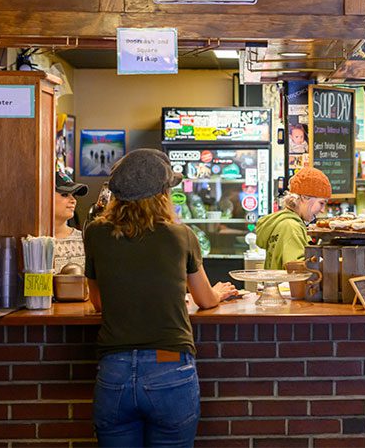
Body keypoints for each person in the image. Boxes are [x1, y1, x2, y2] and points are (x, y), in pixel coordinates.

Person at [84, 149, 237, 447]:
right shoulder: (181, 235)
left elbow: (99, 303)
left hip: (114, 368)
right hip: (169, 363)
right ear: (162, 194)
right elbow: (205, 300)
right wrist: (217, 293)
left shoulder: (95, 233)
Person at [256, 166, 331, 270]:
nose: (322, 210)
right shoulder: (292, 226)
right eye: (321, 203)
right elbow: (297, 270)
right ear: (305, 198)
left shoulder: (280, 222)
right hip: (288, 286)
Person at [53, 170, 88, 273]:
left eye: (73, 195)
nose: (73, 200)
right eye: (64, 195)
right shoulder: (34, 242)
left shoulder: (84, 240)